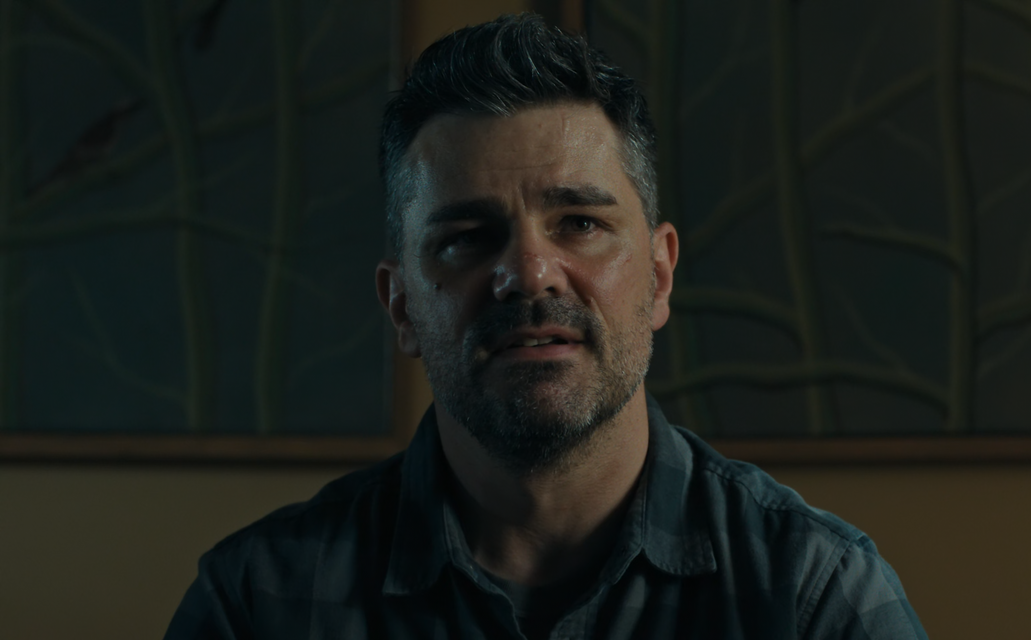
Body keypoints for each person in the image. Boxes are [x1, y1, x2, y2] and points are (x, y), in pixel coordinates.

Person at [164, 13, 926, 640]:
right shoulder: (257, 604)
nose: (530, 274)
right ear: (400, 305)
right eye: (468, 237)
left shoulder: (815, 595)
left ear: (659, 275)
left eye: (580, 223)